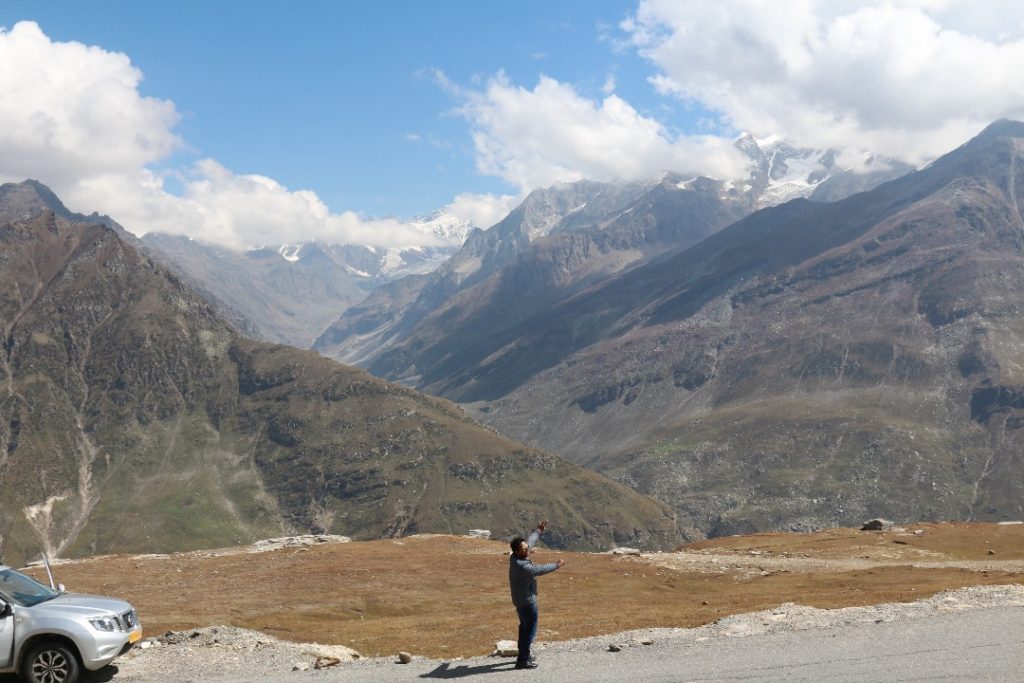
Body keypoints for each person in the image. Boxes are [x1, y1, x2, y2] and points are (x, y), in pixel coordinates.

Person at [508, 520, 564, 670]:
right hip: (527, 602)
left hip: (519, 600)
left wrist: (539, 530)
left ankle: (523, 654)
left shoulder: (515, 556)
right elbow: (539, 570)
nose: (527, 550)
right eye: (524, 549)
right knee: (530, 630)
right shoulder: (522, 566)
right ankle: (523, 660)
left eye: (527, 548)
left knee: (524, 627)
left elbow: (529, 542)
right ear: (517, 551)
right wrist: (556, 565)